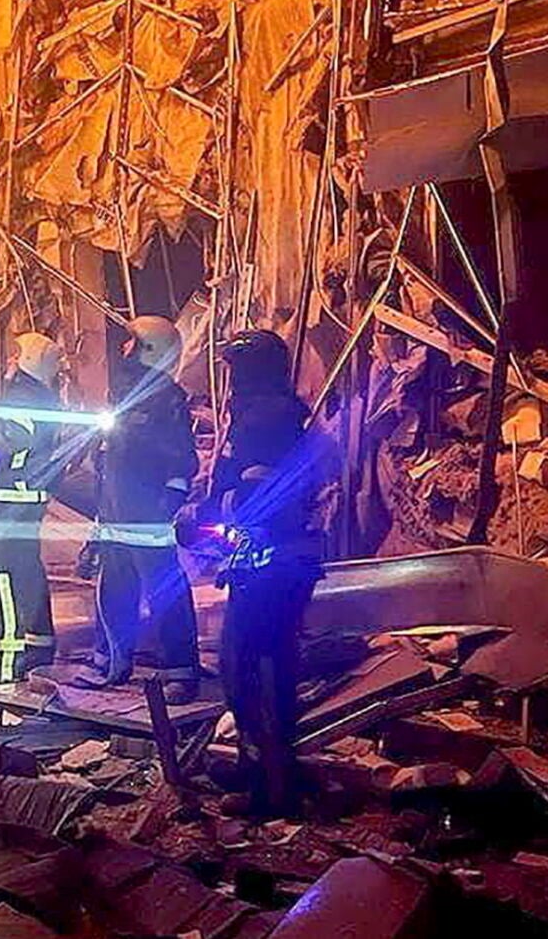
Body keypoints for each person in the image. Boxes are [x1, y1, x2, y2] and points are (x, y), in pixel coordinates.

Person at [201, 329, 323, 815]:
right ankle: (259, 766)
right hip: (272, 562)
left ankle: (270, 787)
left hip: (272, 564)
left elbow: (259, 497)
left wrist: (207, 512)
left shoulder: (265, 420)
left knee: (250, 669)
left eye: (234, 368)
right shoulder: (273, 413)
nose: (229, 378)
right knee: (259, 664)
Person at [85, 315, 203, 703]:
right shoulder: (123, 396)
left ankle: (180, 671)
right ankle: (110, 659)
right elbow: (108, 456)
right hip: (114, 514)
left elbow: (182, 458)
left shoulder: (167, 400)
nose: (124, 348)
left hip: (148, 516)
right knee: (114, 589)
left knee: (165, 592)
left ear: (149, 349)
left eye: (131, 342)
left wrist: (168, 501)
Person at [0, 332, 66, 683]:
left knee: (1, 576)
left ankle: (6, 660)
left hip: (11, 500)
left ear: (27, 361)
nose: (8, 362)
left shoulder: (23, 397)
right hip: (25, 499)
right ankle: (39, 646)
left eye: (15, 355)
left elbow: (14, 436)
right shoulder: (41, 396)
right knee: (27, 571)